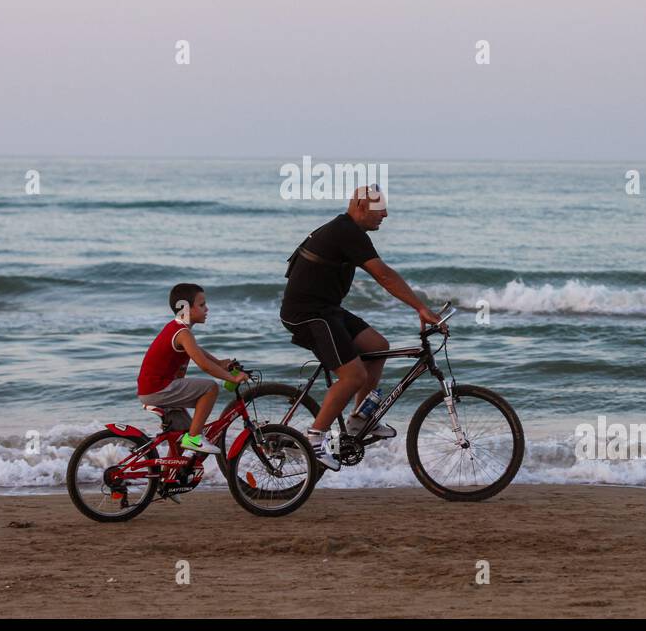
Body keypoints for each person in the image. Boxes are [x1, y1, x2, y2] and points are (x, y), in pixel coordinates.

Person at [280, 184, 444, 470]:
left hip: (327, 309)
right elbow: (383, 275)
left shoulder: (350, 231)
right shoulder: (347, 231)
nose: (386, 214)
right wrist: (420, 307)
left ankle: (359, 419)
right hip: (307, 314)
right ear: (360, 207)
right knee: (353, 375)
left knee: (378, 347)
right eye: (380, 209)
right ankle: (315, 440)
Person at [137, 283, 247, 455]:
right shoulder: (182, 333)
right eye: (202, 305)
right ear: (185, 308)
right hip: (158, 389)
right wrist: (231, 378)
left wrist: (219, 363)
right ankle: (194, 437)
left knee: (181, 435)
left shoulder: (179, 329)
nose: (207, 309)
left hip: (154, 388)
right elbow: (203, 364)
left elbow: (198, 352)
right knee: (210, 388)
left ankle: (168, 479)